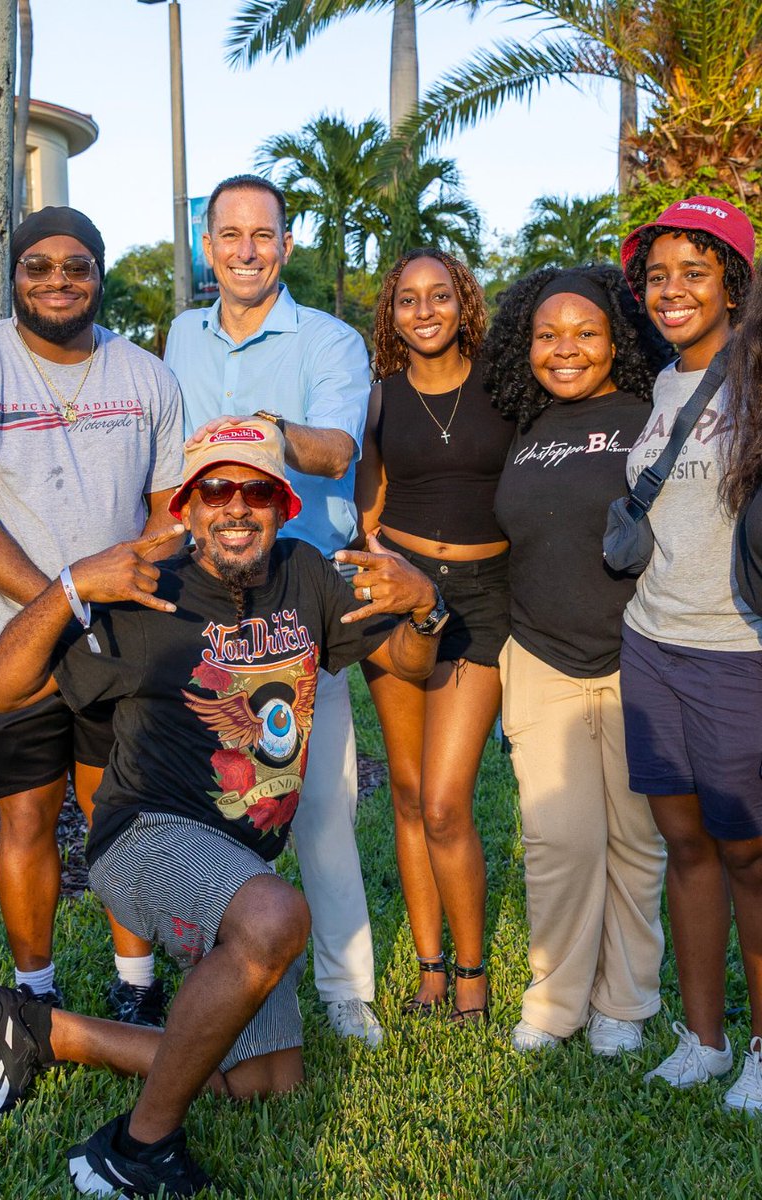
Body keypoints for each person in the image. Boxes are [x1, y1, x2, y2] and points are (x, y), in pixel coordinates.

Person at [0, 419, 446, 1197]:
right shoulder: (149, 590)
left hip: (239, 858)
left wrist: (426, 607)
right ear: (186, 508)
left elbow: (410, 664)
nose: (236, 507)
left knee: (267, 1081)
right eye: (215, 490)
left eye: (256, 490)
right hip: (145, 838)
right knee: (277, 920)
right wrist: (73, 586)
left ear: (284, 506)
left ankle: (42, 1031)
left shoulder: (306, 574)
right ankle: (136, 1148)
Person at [0, 206, 185, 1022]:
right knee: (25, 819)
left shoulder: (146, 375)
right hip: (4, 638)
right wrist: (62, 598)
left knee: (121, 817)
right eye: (38, 266)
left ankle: (135, 987)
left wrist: (117, 589)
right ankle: (34, 994)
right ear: (15, 275)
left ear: (99, 275)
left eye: (76, 266)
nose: (58, 281)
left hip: (122, 638)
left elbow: (172, 512)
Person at [164, 174, 382, 1045]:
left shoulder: (329, 340)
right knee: (201, 795)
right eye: (230, 235)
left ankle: (346, 988)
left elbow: (337, 447)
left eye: (264, 235)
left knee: (322, 798)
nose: (247, 249)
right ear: (207, 246)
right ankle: (206, 964)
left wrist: (256, 432)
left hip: (298, 592)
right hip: (198, 593)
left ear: (286, 246)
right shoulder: (181, 332)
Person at [486, 264, 669, 1054]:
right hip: (538, 655)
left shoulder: (656, 416)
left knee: (637, 838)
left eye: (586, 333)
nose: (566, 349)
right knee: (559, 839)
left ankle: (625, 1005)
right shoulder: (516, 425)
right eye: (548, 335)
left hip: (642, 655)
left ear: (617, 338)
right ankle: (556, 1002)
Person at [619, 196, 762, 1110]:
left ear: (734, 285)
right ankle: (705, 1038)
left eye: (693, 272)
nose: (671, 290)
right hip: (652, 643)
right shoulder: (664, 380)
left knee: (749, 855)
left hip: (737, 651)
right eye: (658, 275)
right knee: (685, 847)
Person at [354, 248, 512, 1021]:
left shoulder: (503, 385)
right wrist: (381, 565)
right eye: (408, 299)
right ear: (392, 314)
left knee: (447, 802)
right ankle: (428, 969)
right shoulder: (379, 398)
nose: (424, 311)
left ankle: (475, 976)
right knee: (409, 793)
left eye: (439, 296)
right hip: (400, 597)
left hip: (482, 601)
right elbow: (368, 504)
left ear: (463, 303)